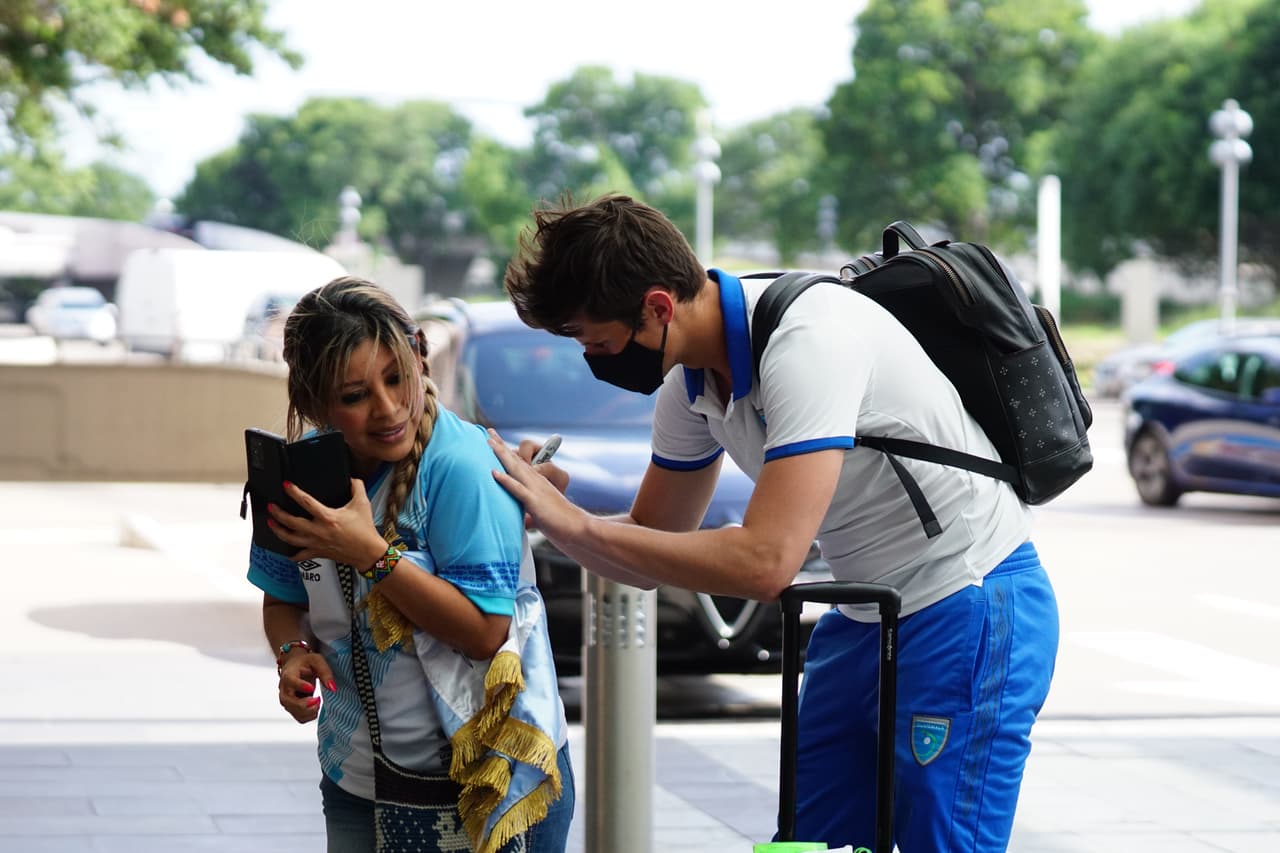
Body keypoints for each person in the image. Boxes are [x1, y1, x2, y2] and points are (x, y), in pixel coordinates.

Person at [489, 194, 1058, 852]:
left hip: (969, 599)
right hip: (864, 613)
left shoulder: (807, 340)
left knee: (941, 841)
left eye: (600, 341)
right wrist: (551, 511)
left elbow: (765, 563)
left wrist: (579, 529)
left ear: (658, 307)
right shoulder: (692, 384)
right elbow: (655, 541)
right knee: (806, 843)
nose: (596, 359)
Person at [246, 276, 574, 853]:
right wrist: (291, 655)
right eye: (355, 396)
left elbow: (484, 633)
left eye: (397, 377)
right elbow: (283, 600)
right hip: (355, 779)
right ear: (313, 400)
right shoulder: (296, 476)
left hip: (484, 790)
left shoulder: (463, 467)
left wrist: (371, 554)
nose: (389, 407)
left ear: (419, 352)